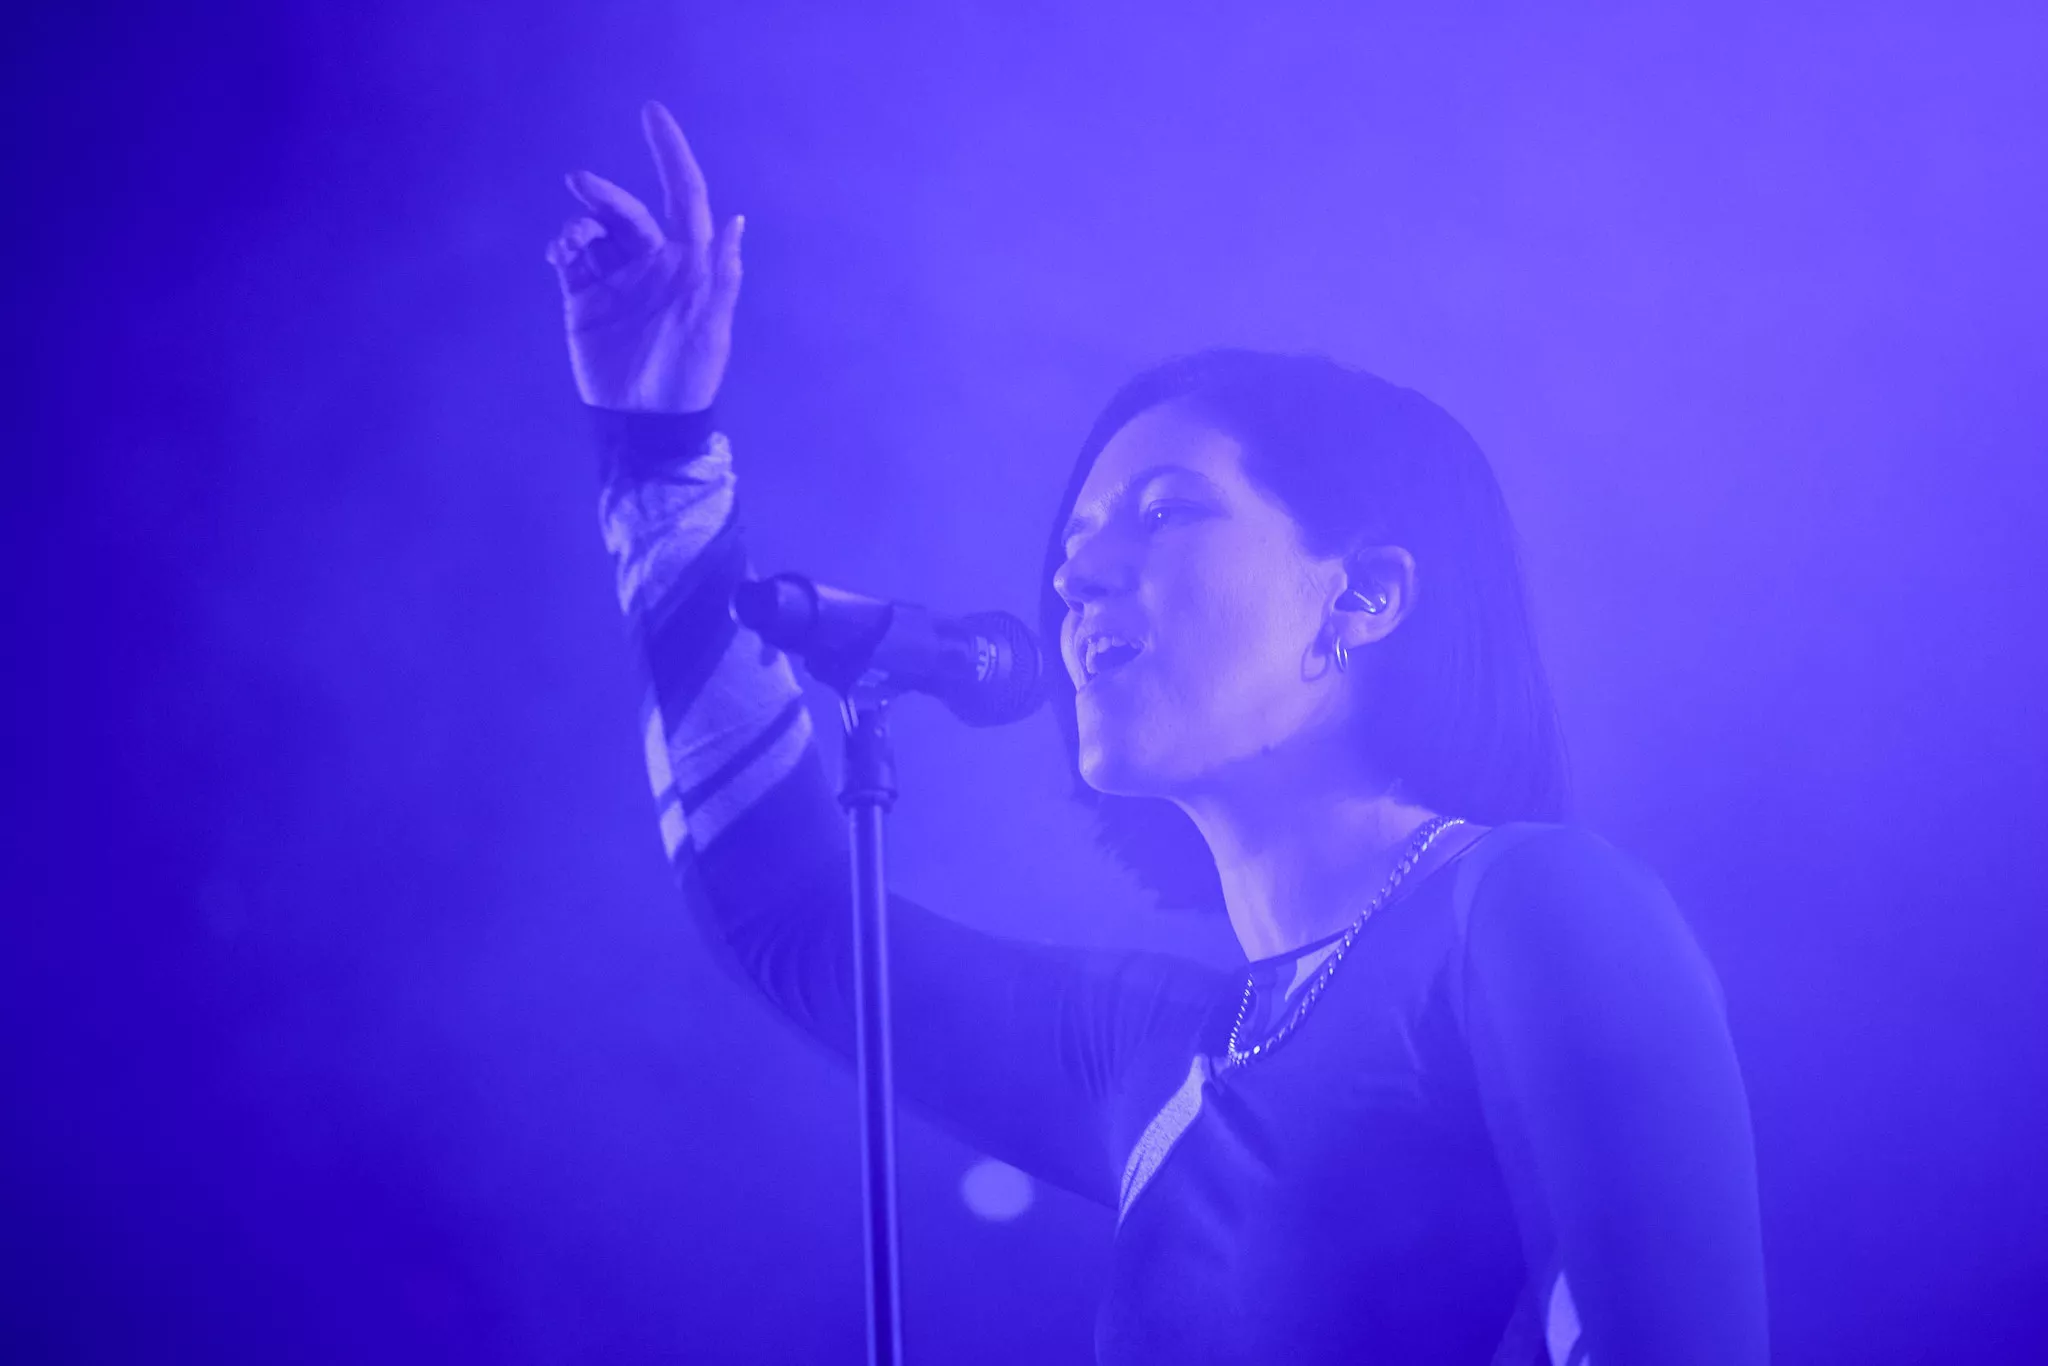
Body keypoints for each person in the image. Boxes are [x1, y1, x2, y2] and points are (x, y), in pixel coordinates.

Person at [546, 100, 1769, 1366]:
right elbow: (793, 918)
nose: (1072, 577)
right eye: (1072, 543)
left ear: (1362, 595)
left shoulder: (1530, 908)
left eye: (1163, 512)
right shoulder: (1155, 1057)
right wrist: (657, 448)